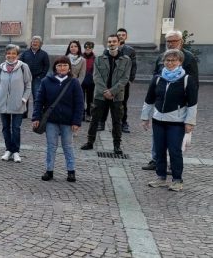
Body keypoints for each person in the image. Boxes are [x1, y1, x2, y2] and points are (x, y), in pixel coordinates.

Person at [142, 49, 198, 192]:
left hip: (177, 122)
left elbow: (192, 103)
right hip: (158, 120)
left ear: (180, 62)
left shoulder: (187, 79)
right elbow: (149, 99)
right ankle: (161, 177)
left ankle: (177, 180)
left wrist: (190, 122)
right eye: (167, 60)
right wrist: (145, 117)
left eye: (173, 60)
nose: (170, 63)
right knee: (159, 150)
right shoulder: (158, 78)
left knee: (174, 151)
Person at [32, 57, 83, 182]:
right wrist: (36, 117)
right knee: (51, 146)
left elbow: (79, 103)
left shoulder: (74, 82)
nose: (62, 68)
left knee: (68, 146)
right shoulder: (46, 81)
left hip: (67, 120)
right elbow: (39, 101)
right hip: (51, 120)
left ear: (69, 67)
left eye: (65, 65)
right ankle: (49, 170)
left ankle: (71, 171)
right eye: (59, 65)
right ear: (55, 67)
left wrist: (77, 121)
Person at [80, 34, 131, 155]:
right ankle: (90, 142)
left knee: (117, 121)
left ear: (119, 43)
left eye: (114, 41)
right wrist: (105, 91)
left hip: (117, 96)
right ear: (107, 44)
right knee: (94, 119)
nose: (112, 44)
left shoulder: (126, 60)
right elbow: (96, 77)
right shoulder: (99, 59)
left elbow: (125, 78)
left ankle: (117, 145)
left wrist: (112, 91)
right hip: (100, 95)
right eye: (109, 42)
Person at [0, 44, 32, 163]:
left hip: (17, 104)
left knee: (16, 128)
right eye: (9, 53)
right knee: (5, 128)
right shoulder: (0, 68)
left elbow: (28, 85)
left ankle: (16, 151)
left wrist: (24, 99)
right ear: (5, 54)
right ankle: (8, 150)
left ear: (18, 55)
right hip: (2, 103)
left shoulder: (23, 67)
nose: (11, 56)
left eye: (13, 53)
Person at [19, 36, 50, 119]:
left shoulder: (44, 54)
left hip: (37, 78)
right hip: (26, 78)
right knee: (25, 96)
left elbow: (46, 66)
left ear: (40, 44)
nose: (35, 43)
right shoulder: (25, 53)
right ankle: (24, 113)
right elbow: (19, 64)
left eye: (37, 42)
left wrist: (42, 76)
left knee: (37, 96)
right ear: (31, 43)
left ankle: (36, 114)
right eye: (33, 41)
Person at [116, 28, 137, 133]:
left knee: (123, 103)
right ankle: (104, 122)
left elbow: (134, 65)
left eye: (123, 35)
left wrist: (130, 79)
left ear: (126, 37)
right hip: (113, 81)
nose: (121, 36)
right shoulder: (111, 48)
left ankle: (123, 123)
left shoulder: (130, 50)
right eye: (119, 35)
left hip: (125, 81)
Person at [82, 41, 96, 121]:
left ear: (92, 48)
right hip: (82, 81)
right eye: (86, 48)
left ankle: (88, 114)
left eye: (89, 48)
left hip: (91, 82)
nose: (88, 49)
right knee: (81, 98)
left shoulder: (95, 58)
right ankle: (82, 113)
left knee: (90, 99)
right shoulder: (81, 57)